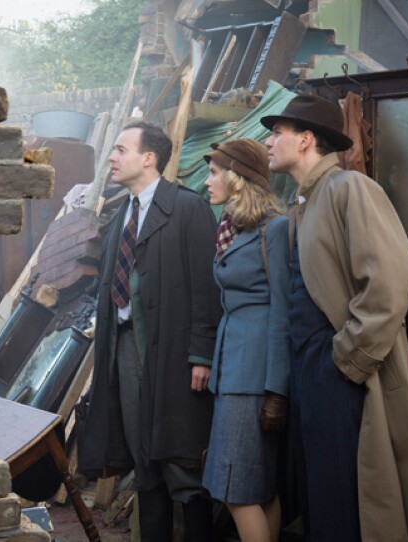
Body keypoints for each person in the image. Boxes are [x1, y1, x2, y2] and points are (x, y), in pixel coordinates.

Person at [260, 94, 408, 541]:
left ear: (304, 140)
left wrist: (347, 359)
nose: (268, 142)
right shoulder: (304, 203)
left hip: (339, 370)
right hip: (312, 372)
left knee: (347, 503)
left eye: (276, 133)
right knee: (322, 499)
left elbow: (391, 278)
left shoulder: (348, 188)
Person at [77, 121, 220, 541]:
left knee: (182, 460)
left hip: (176, 356)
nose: (112, 157)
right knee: (145, 462)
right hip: (125, 349)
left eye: (121, 149)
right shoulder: (123, 212)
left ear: (149, 158)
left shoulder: (188, 208)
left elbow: (205, 288)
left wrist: (201, 354)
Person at [201, 138, 291, 542]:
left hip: (252, 377)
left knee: (236, 492)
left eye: (215, 172)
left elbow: (282, 312)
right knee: (257, 488)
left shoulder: (274, 229)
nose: (207, 181)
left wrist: (276, 390)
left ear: (237, 178)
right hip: (232, 369)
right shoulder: (232, 229)